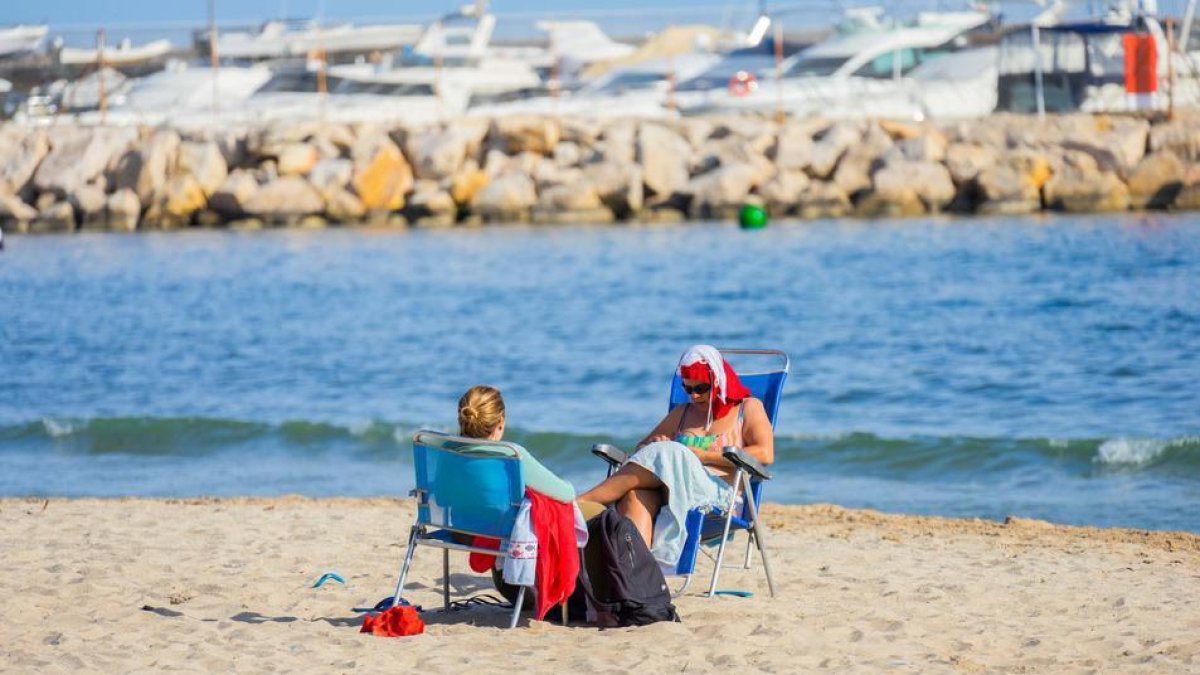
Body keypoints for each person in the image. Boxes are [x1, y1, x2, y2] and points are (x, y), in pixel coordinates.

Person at [578, 345, 774, 572]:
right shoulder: (682, 413)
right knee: (635, 495)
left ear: (719, 381)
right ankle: (638, 580)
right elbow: (642, 449)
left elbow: (765, 454)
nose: (694, 395)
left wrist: (703, 456)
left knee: (671, 452)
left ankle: (582, 502)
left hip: (717, 494)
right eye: (687, 388)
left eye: (701, 388)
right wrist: (655, 442)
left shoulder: (747, 408)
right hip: (671, 490)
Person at [455, 384, 574, 503]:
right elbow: (566, 494)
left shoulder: (448, 451)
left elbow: (441, 498)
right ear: (501, 422)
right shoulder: (512, 454)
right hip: (503, 522)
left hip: (456, 521)